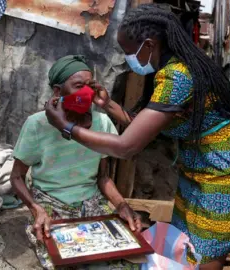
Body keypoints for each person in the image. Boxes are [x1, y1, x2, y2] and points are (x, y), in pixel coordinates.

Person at [45, 5, 230, 270]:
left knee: (207, 248)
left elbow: (127, 146)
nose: (127, 58)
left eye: (129, 51)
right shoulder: (168, 69)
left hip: (228, 169)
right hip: (203, 165)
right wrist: (108, 105)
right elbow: (143, 126)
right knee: (187, 240)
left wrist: (67, 127)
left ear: (149, 45)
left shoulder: (178, 76)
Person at [11, 55, 142, 270]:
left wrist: (122, 205)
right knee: (62, 261)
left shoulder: (102, 122)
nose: (86, 93)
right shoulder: (37, 125)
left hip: (91, 203)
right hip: (51, 204)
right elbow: (16, 177)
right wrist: (36, 209)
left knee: (121, 261)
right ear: (57, 91)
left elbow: (103, 177)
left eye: (90, 86)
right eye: (78, 86)